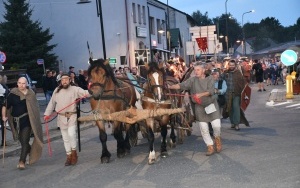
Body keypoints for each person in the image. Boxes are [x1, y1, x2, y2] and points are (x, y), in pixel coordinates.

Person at [168, 62, 222, 156]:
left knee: (216, 127)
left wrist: (200, 94)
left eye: (198, 70)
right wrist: (170, 87)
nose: (196, 72)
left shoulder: (210, 79)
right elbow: (181, 85)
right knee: (204, 128)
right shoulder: (192, 80)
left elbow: (210, 91)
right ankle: (210, 146)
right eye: (195, 70)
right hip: (199, 107)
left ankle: (217, 139)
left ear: (203, 70)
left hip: (211, 105)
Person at [44, 73, 89, 166]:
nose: (64, 81)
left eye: (66, 79)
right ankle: (68, 156)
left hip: (71, 116)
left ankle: (74, 153)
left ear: (69, 80)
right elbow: (52, 103)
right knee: (65, 138)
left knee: (71, 134)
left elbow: (85, 93)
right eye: (62, 79)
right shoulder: (56, 90)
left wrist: (92, 89)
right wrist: (47, 114)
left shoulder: (75, 89)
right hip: (61, 117)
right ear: (60, 81)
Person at [2, 77, 43, 170]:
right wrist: (4, 116)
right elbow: (5, 106)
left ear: (27, 84)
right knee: (22, 141)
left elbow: (35, 108)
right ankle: (30, 151)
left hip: (27, 120)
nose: (21, 85)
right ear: (17, 83)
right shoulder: (13, 94)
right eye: (20, 83)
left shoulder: (31, 94)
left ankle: (22, 161)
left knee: (24, 141)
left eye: (23, 83)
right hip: (16, 122)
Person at [223, 60, 250, 130]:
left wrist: (244, 90)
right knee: (230, 108)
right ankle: (232, 122)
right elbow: (220, 81)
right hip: (227, 93)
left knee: (236, 107)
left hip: (236, 93)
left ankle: (237, 123)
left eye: (233, 65)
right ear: (228, 65)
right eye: (230, 65)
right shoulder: (225, 73)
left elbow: (243, 82)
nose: (232, 66)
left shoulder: (238, 73)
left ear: (235, 65)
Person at [0, 75, 9, 147]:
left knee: (3, 123)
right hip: (2, 104)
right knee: (3, 123)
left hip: (2, 105)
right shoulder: (3, 86)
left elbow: (7, 95)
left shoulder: (3, 86)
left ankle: (3, 141)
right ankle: (3, 141)